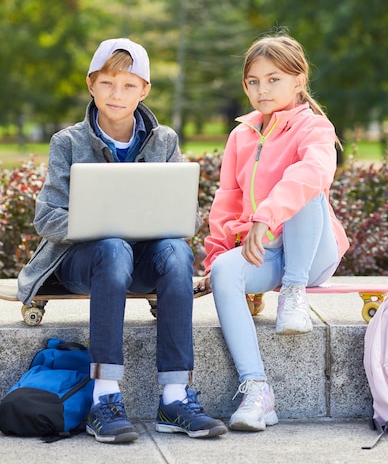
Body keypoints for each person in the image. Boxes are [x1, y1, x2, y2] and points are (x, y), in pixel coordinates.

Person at [17, 37, 227, 443]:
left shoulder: (164, 140)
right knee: (112, 247)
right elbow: (46, 217)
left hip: (143, 261)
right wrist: (98, 225)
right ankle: (104, 398)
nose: (117, 94)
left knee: (177, 251)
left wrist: (168, 220)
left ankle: (175, 397)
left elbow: (185, 217)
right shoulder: (68, 142)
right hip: (85, 262)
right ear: (91, 85)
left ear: (145, 90)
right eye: (108, 83)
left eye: (129, 85)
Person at [195, 32, 349, 432]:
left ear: (299, 81)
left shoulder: (314, 127)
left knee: (305, 190)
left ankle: (294, 294)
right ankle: (257, 391)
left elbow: (314, 173)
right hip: (269, 252)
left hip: (312, 253)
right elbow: (226, 201)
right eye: (253, 81)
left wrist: (265, 215)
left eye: (273, 79)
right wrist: (215, 261)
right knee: (228, 270)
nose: (262, 89)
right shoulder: (240, 136)